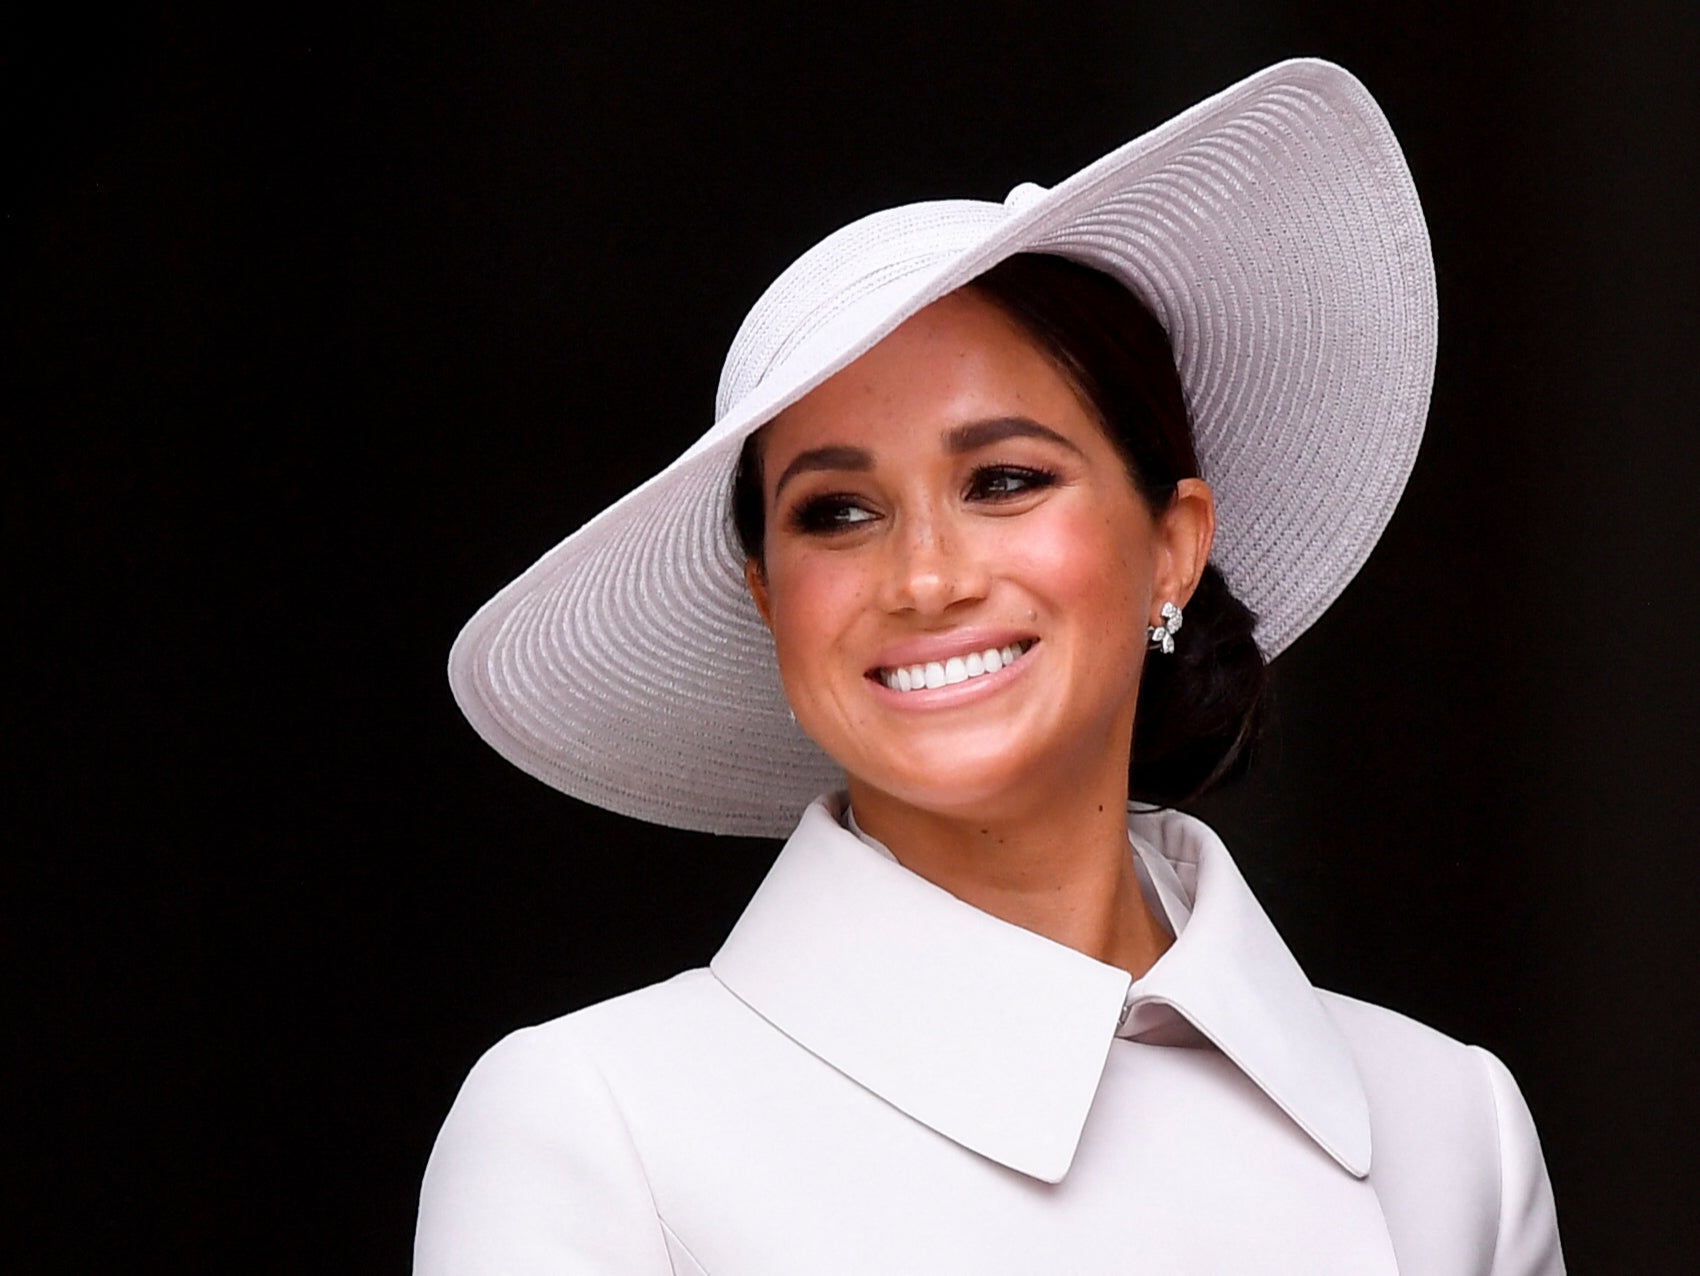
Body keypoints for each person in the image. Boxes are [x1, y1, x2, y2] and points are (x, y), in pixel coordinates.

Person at [416, 59, 1564, 1273]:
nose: (925, 576)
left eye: (1004, 480)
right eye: (836, 513)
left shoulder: (1448, 1129)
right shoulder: (596, 1126)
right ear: (768, 599)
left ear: (1172, 546)